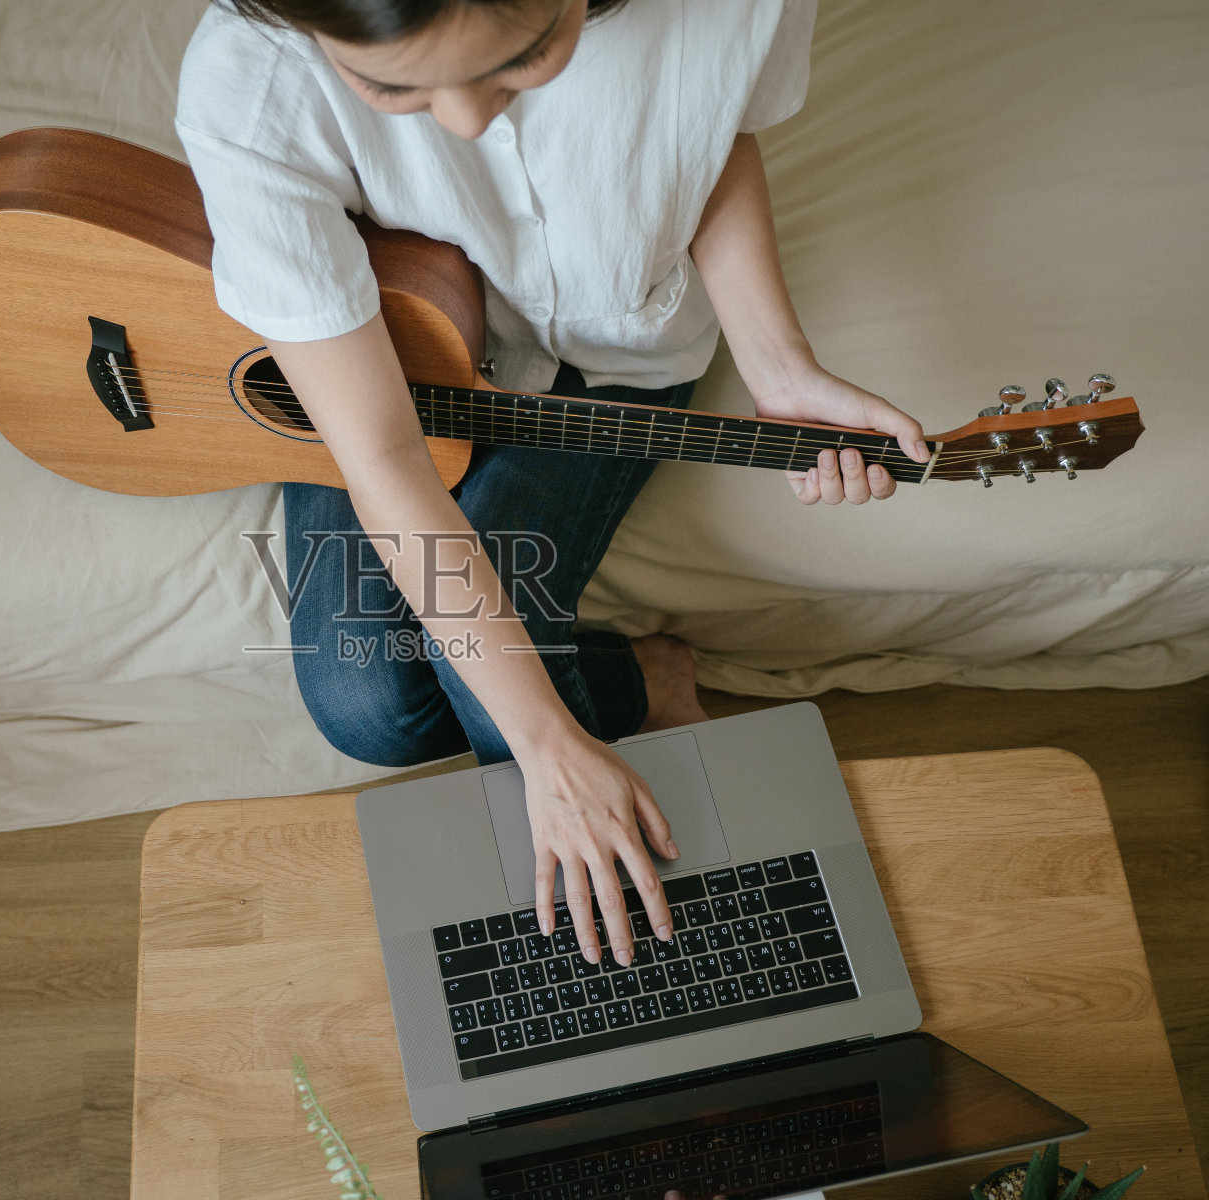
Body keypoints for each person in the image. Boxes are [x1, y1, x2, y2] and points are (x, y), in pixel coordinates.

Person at [174, 0, 928, 972]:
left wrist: (776, 362)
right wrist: (547, 748)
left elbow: (704, 127)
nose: (462, 123)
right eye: (389, 87)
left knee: (498, 678)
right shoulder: (250, 83)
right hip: (393, 356)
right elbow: (384, 459)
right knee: (366, 706)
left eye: (526, 56)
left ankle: (646, 966)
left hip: (617, 354)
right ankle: (639, 683)